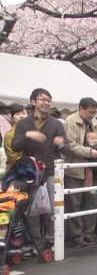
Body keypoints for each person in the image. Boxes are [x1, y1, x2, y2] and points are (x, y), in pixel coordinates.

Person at [12, 89, 70, 249]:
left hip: (51, 171)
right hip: (30, 172)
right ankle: (38, 244)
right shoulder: (24, 124)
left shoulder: (56, 123)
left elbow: (67, 149)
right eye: (42, 99)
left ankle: (53, 241)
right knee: (32, 210)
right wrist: (27, 135)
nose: (46, 103)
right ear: (33, 102)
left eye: (49, 100)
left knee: (53, 208)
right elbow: (14, 146)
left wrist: (61, 144)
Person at [62, 97, 97, 247]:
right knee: (74, 203)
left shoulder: (95, 123)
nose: (92, 115)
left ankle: (89, 233)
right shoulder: (70, 122)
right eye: (90, 112)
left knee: (91, 202)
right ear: (81, 109)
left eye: (95, 113)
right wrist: (90, 152)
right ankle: (76, 236)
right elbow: (70, 145)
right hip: (75, 168)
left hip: (93, 168)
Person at [0, 179, 28, 247]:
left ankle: (2, 239)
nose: (7, 188)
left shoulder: (20, 195)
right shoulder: (4, 194)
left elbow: (18, 203)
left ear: (17, 189)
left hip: (7, 211)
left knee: (2, 219)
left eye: (10, 186)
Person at [4, 104, 28, 170]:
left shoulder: (33, 131)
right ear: (12, 117)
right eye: (17, 114)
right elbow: (13, 157)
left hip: (34, 168)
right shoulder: (9, 135)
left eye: (24, 113)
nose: (21, 116)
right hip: (16, 169)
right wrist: (29, 162)